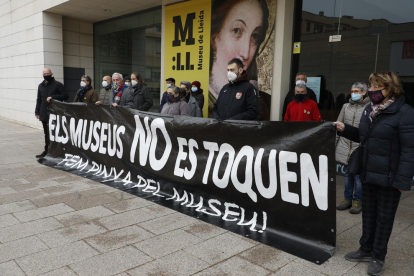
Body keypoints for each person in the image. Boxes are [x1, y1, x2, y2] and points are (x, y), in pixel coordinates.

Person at [334, 71, 414, 276]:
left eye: (375, 87)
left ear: (389, 89)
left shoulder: (405, 112)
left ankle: (378, 256)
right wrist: (344, 129)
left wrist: (402, 180)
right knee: (369, 215)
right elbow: (364, 137)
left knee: (384, 218)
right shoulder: (370, 110)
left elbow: (409, 150)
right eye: (370, 86)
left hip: (389, 177)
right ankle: (365, 249)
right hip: (368, 172)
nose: (371, 91)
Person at [209, 0, 269, 113]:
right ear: (214, 37)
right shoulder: (224, 89)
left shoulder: (257, 95)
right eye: (236, 31)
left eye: (255, 36)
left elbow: (251, 113)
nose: (245, 53)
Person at [335, 82, 370, 214]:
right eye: (352, 91)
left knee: (357, 175)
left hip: (358, 146)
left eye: (357, 91)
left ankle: (357, 200)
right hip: (345, 145)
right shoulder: (345, 106)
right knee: (348, 174)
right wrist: (334, 144)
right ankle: (347, 198)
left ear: (364, 92)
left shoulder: (370, 107)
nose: (354, 93)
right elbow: (339, 126)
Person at [35, 68, 68, 158]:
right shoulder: (40, 86)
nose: (46, 75)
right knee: (47, 133)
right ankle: (46, 151)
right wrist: (37, 112)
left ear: (51, 74)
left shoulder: (58, 85)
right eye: (44, 73)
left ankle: (57, 151)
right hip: (44, 113)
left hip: (55, 114)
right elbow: (39, 100)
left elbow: (65, 95)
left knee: (56, 133)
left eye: (47, 73)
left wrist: (53, 97)